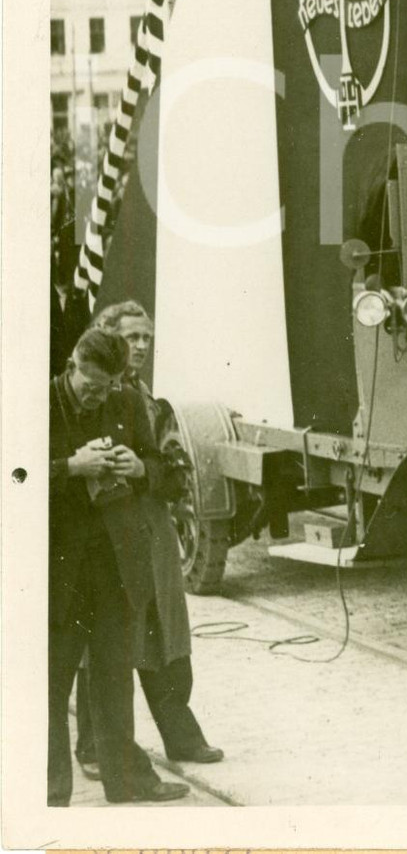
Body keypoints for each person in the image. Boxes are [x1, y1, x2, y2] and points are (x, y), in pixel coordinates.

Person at [75, 302, 223, 770]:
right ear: (106, 336)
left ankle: (181, 737)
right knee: (99, 640)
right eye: (131, 337)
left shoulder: (145, 398)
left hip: (150, 530)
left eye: (146, 338)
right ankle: (94, 746)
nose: (140, 346)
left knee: (163, 636)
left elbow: (174, 469)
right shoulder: (85, 396)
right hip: (103, 533)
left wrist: (143, 470)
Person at [49, 329, 189, 805]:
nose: (97, 396)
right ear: (72, 365)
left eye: (105, 387)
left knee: (113, 679)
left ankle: (126, 783)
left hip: (115, 569)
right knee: (49, 688)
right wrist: (71, 466)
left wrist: (139, 468)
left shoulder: (127, 402)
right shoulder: (37, 403)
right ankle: (48, 795)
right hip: (57, 573)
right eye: (89, 386)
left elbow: (163, 467)